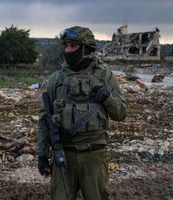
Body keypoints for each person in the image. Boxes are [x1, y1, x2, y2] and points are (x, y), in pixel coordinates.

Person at [37, 26, 127, 200]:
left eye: (73, 46)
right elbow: (44, 119)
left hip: (94, 156)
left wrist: (107, 97)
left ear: (86, 49)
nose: (68, 50)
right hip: (64, 155)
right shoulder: (57, 79)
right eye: (66, 46)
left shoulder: (105, 77)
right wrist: (41, 154)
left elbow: (121, 113)